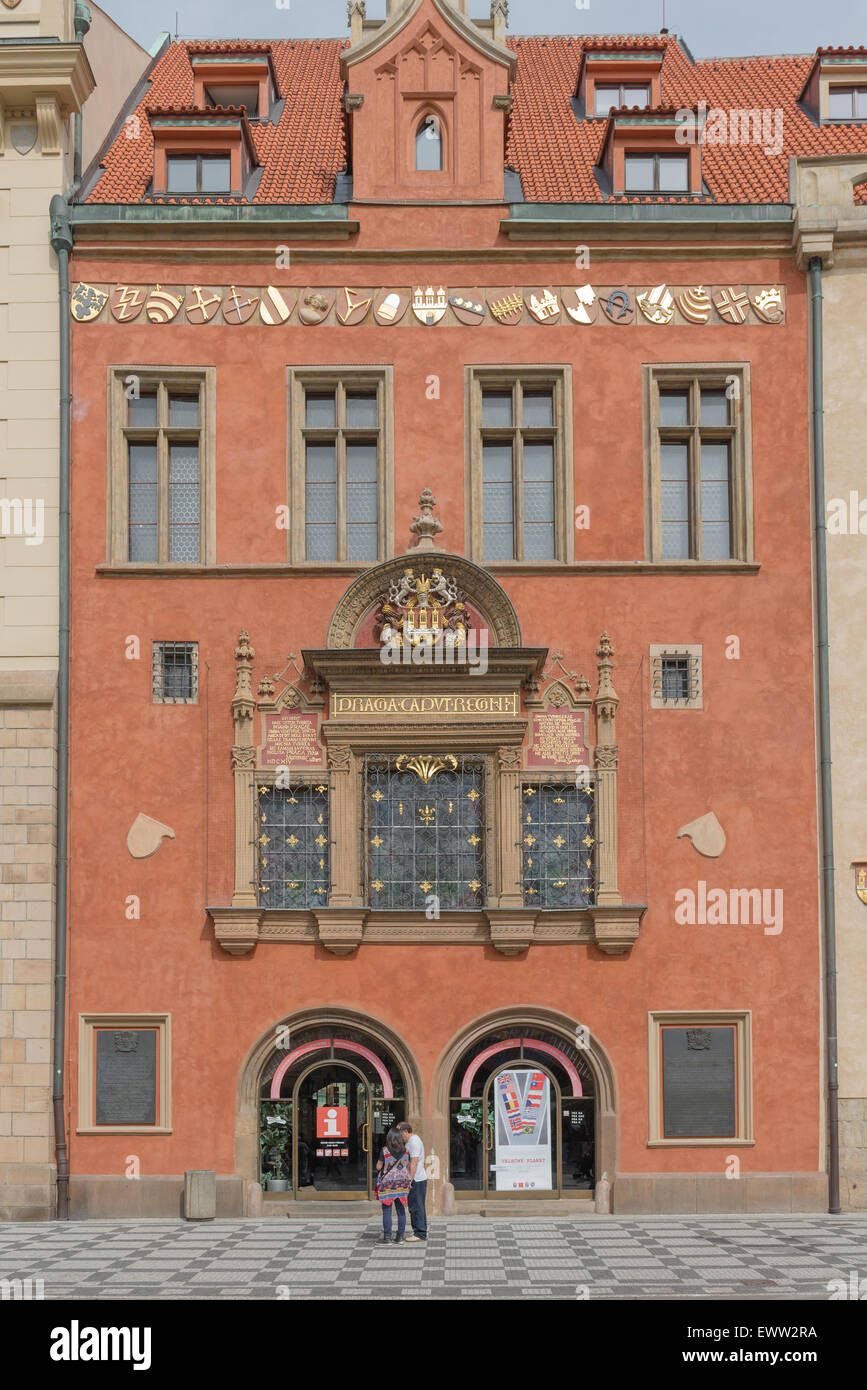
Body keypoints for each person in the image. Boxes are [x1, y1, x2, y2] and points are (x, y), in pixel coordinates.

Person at [375, 1126, 412, 1244]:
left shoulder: (385, 1150)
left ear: (389, 1137)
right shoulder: (406, 1150)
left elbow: (378, 1167)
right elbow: (408, 1165)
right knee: (401, 1211)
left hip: (388, 1185)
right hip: (402, 1184)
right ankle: (400, 1237)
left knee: (387, 1211)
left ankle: (387, 1238)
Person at [397, 1121, 427, 1242]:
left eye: (400, 1133)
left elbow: (413, 1162)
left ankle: (420, 1234)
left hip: (416, 1179)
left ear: (405, 1131)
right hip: (416, 1178)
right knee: (416, 1205)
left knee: (416, 1206)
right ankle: (420, 1231)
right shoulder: (411, 1141)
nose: (399, 1136)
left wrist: (409, 1179)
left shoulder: (414, 1142)